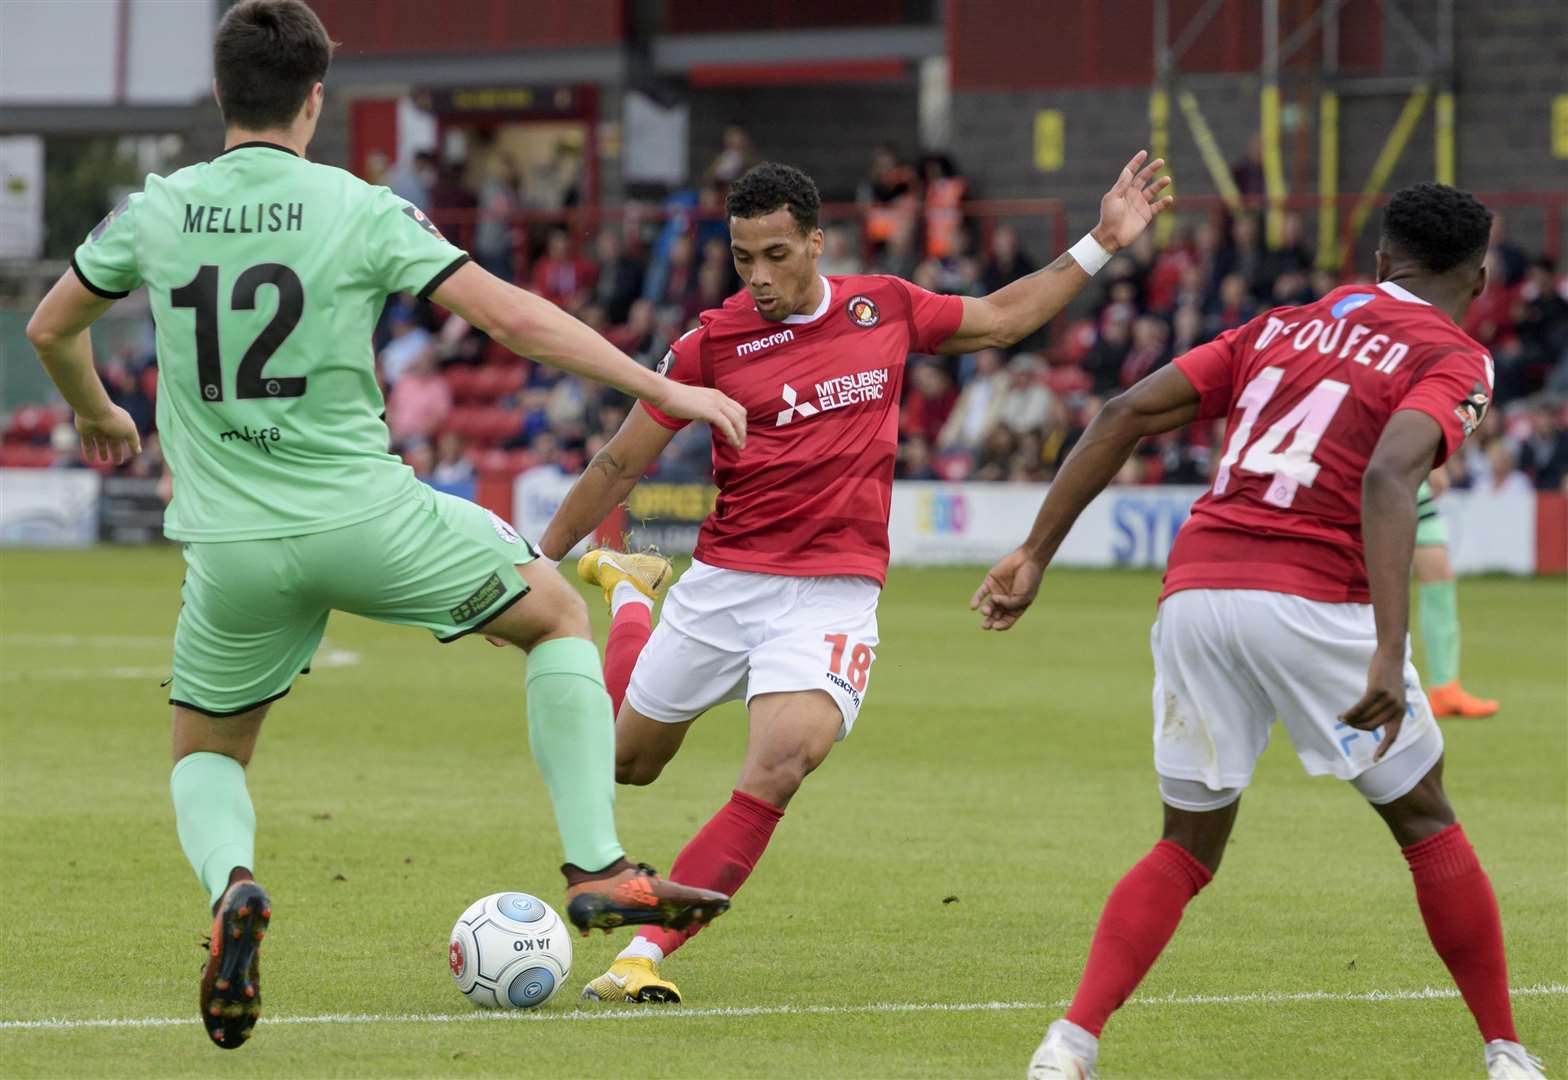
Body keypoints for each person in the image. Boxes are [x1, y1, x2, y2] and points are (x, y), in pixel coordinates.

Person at [23, 0, 747, 1052]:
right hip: (367, 518)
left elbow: (51, 326)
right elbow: (509, 317)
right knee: (553, 618)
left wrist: (95, 408)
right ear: (316, 98)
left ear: (222, 96)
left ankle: (231, 887)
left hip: (227, 548)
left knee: (206, 753)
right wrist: (657, 386)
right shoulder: (357, 206)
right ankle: (596, 864)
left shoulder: (156, 211)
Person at [535, 152, 1173, 1004]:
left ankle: (641, 954)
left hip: (829, 595)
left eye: (775, 256)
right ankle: (627, 595)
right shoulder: (710, 345)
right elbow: (620, 463)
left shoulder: (885, 307)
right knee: (623, 765)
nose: (758, 278)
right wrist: (542, 561)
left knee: (780, 763)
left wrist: (1101, 240)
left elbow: (999, 318)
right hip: (724, 583)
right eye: (742, 259)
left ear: (814, 244)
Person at [969, 182, 1543, 1080]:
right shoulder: (1456, 352)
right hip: (1312, 599)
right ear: (1478, 271)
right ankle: (1508, 1055)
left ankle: (1068, 1044)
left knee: (1186, 844)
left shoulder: (1279, 324)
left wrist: (1035, 553)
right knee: (1426, 818)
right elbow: (1391, 478)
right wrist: (1392, 653)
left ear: (1382, 259)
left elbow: (1122, 413)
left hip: (1196, 591)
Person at [1414, 467, 1500, 718]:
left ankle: (1444, 689)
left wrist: (1434, 462)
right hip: (1378, 467)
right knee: (1367, 576)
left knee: (1439, 576)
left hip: (1406, 474)